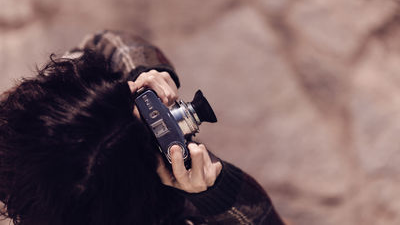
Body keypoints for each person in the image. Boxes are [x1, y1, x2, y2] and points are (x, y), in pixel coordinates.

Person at [0, 30, 285, 225]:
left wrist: (145, 72)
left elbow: (106, 42)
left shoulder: (20, 129)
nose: (161, 120)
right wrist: (215, 196)